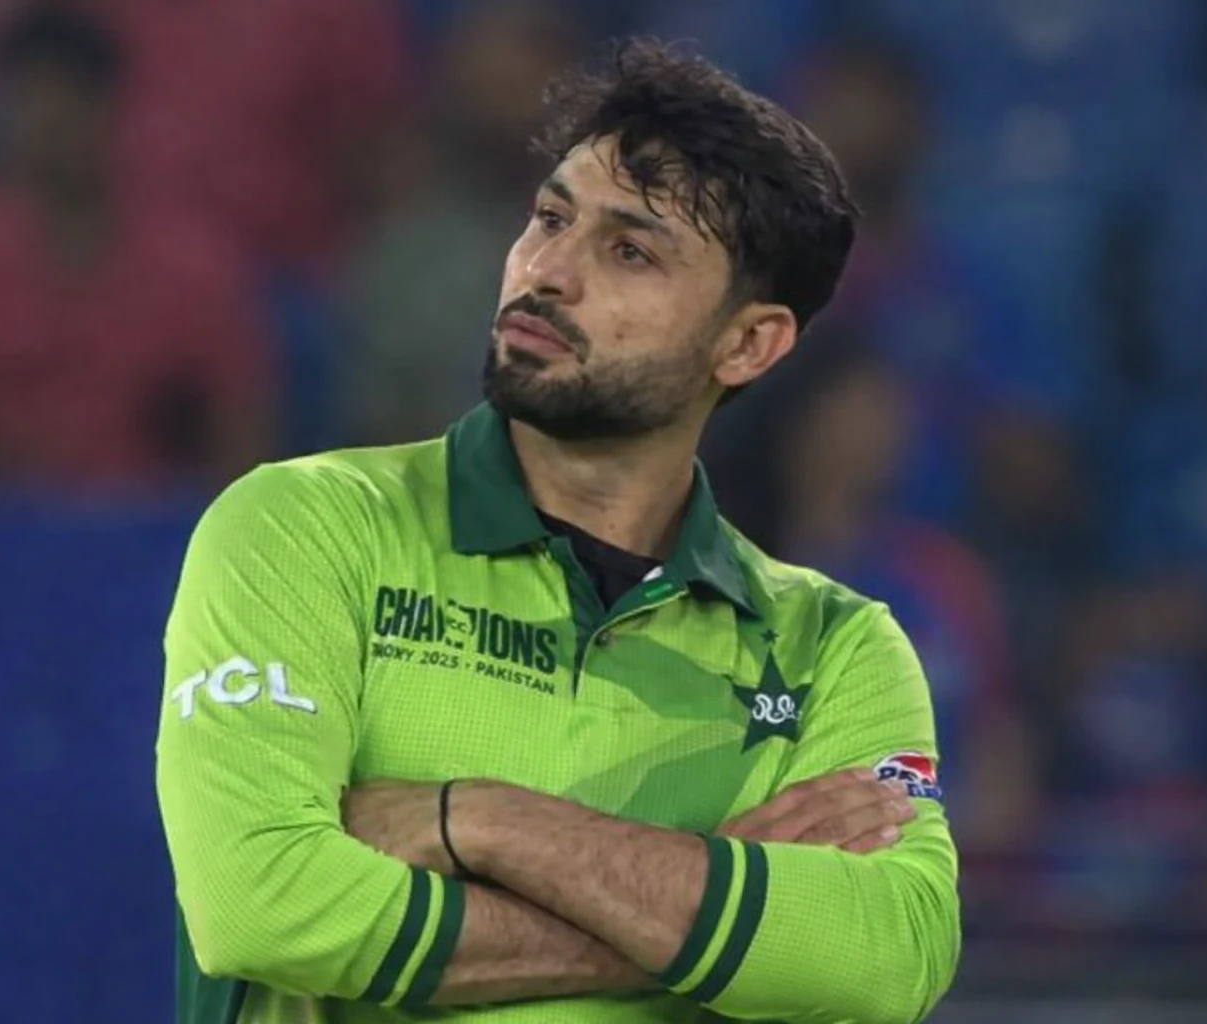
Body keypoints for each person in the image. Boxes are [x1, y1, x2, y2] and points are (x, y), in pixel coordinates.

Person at [156, 39, 960, 1024]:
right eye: (550, 217)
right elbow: (264, 906)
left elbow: (890, 956)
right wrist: (694, 904)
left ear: (749, 343)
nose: (546, 271)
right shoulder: (307, 526)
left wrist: (483, 819)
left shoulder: (834, 649)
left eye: (629, 252)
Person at [0, 5, 275, 494]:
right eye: (30, 100)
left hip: (150, 522)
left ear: (113, 110)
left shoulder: (192, 266)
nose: (49, 123)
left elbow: (241, 443)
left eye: (70, 100)